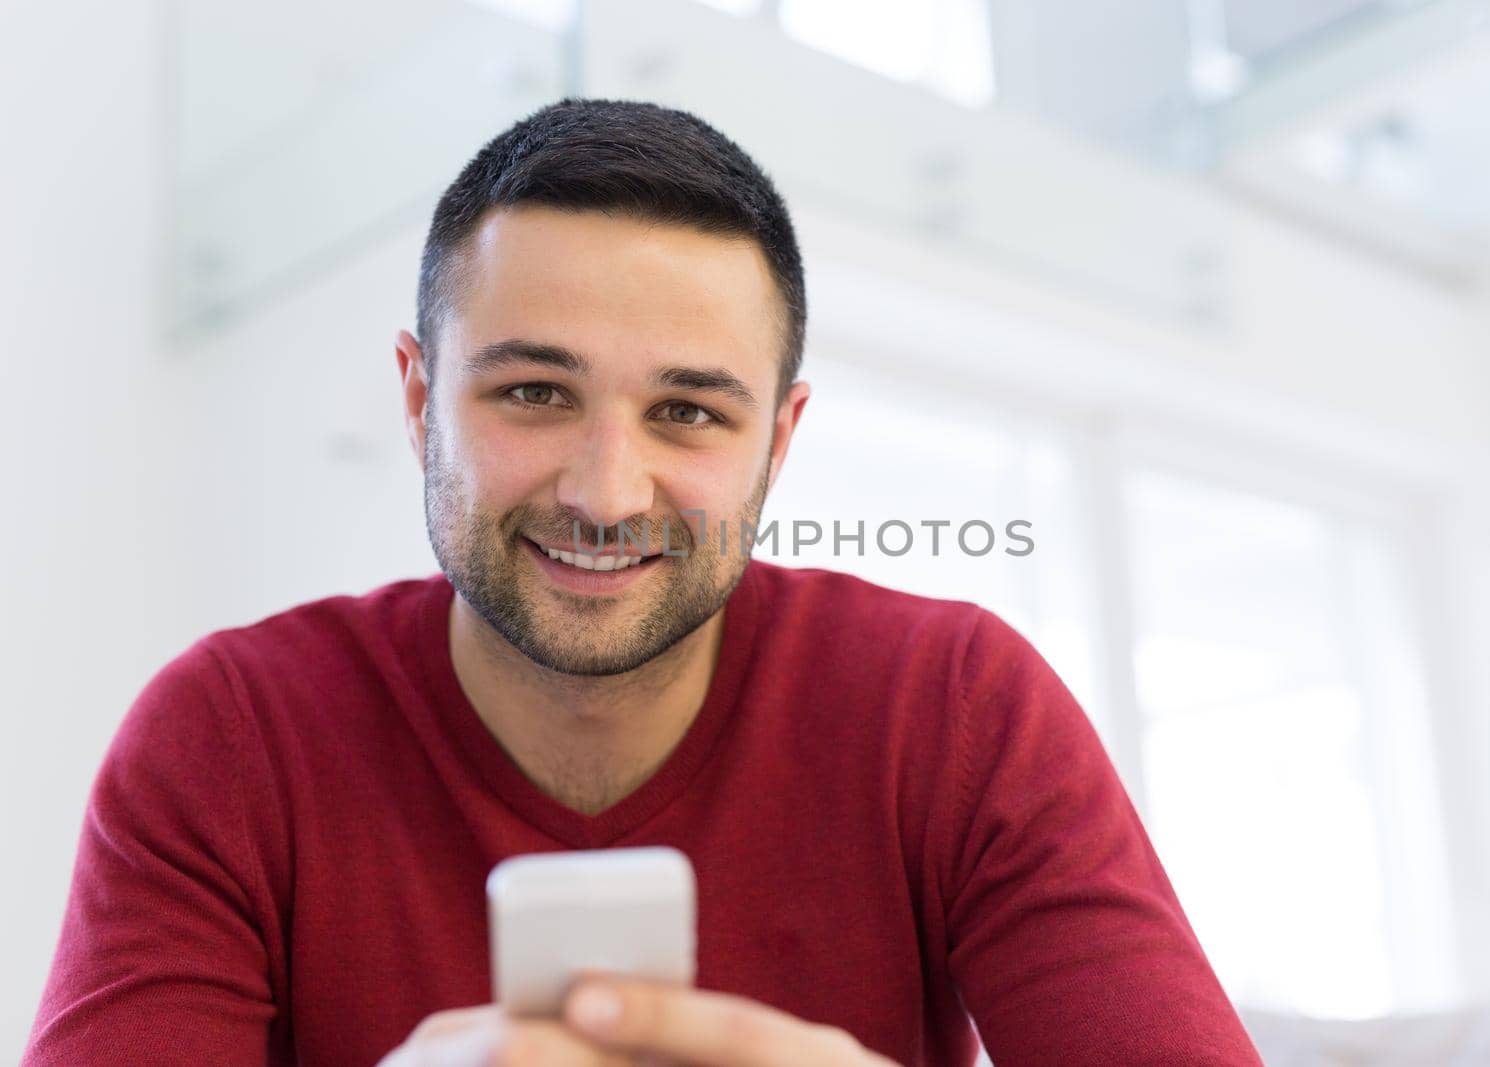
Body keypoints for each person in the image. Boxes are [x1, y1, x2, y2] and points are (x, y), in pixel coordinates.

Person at [23, 98, 1262, 1066]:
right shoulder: (230, 735)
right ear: (417, 399)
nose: (608, 493)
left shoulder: (956, 704)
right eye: (532, 392)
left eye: (687, 411)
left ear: (777, 442)